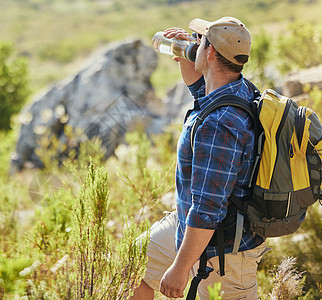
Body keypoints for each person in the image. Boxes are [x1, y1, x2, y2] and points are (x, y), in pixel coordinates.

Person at [131, 17, 270, 299]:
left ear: (210, 53)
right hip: (192, 232)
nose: (196, 42)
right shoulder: (233, 88)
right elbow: (198, 88)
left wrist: (180, 268)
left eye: (201, 40)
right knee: (131, 265)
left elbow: (208, 208)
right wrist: (183, 53)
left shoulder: (220, 124)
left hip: (224, 252)